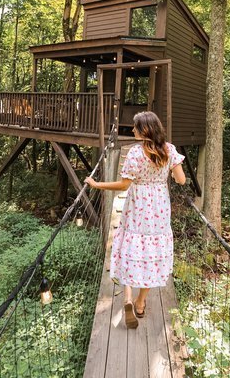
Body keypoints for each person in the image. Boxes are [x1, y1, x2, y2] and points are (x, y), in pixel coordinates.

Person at [84, 111, 186, 329]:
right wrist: (164, 175)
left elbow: (123, 186)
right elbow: (181, 180)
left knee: (132, 247)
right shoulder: (169, 150)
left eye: (135, 127)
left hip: (137, 204)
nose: (131, 130)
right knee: (151, 250)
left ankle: (128, 298)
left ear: (144, 130)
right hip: (159, 206)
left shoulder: (134, 153)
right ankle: (140, 303)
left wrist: (97, 184)